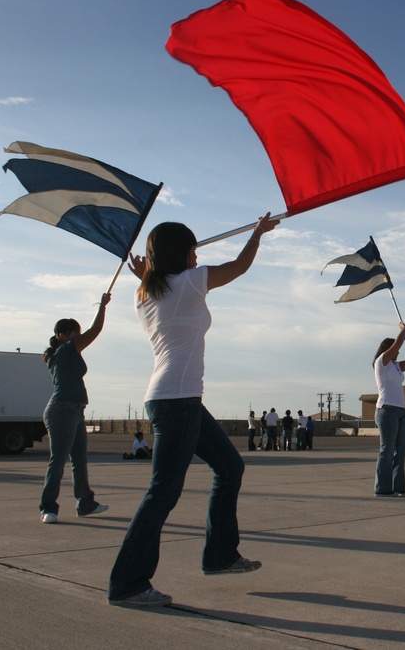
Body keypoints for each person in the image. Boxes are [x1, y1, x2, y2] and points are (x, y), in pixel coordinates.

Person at [107, 214, 276, 608]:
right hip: (177, 399)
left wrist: (144, 272)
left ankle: (220, 556)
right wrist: (256, 233)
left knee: (230, 468)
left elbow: (161, 288)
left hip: (175, 398)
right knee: (162, 493)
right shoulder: (184, 285)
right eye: (193, 249)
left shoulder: (145, 293)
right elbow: (238, 267)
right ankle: (128, 584)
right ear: (180, 254)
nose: (197, 256)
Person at [38, 294, 111, 525]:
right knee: (58, 461)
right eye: (75, 334)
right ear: (63, 335)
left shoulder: (63, 352)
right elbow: (95, 330)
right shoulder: (66, 350)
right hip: (62, 410)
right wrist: (102, 307)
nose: (79, 338)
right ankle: (48, 508)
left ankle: (85, 503)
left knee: (79, 459)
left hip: (74, 411)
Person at [373, 322, 405, 497]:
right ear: (387, 349)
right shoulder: (382, 362)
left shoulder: (396, 366)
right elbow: (395, 346)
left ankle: (398, 487)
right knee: (387, 449)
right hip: (387, 410)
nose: (397, 353)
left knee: (401, 450)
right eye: (395, 350)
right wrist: (402, 330)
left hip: (400, 411)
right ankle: (383, 488)